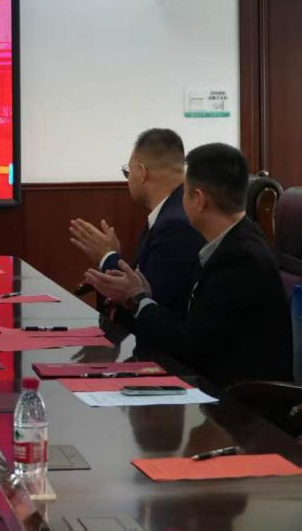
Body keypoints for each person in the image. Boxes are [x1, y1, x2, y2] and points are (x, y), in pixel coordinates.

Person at [84, 143, 292, 388]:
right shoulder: (234, 242)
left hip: (239, 400)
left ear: (199, 200)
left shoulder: (239, 260)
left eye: (183, 193)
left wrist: (137, 299)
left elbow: (188, 345)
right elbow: (196, 326)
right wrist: (145, 296)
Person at [69, 128, 204, 312]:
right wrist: (111, 256)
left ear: (141, 172)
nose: (128, 180)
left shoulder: (175, 224)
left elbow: (150, 304)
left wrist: (107, 257)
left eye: (128, 172)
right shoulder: (171, 211)